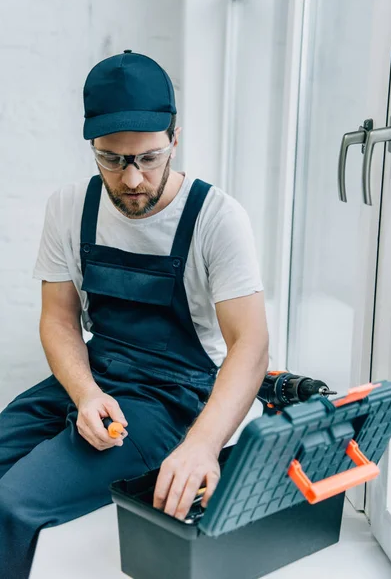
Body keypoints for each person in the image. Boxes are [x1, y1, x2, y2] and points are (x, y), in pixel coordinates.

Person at [0, 50, 269, 577]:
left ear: (174, 138)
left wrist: (202, 446)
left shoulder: (216, 218)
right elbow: (58, 319)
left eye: (147, 157)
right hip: (95, 379)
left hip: (170, 398)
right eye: (111, 159)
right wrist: (85, 394)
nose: (132, 180)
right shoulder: (69, 206)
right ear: (91, 145)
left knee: (13, 505)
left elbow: (251, 345)